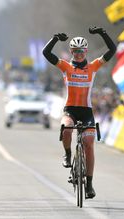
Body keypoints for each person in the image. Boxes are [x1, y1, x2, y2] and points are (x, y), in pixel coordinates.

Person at [42, 26, 116, 199]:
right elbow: (46, 53)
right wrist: (54, 38)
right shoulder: (66, 67)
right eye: (75, 51)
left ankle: (89, 184)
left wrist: (102, 33)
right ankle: (68, 155)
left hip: (86, 112)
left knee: (89, 143)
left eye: (81, 51)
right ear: (72, 52)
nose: (79, 54)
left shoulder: (93, 67)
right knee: (66, 129)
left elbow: (112, 50)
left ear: (86, 51)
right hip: (70, 111)